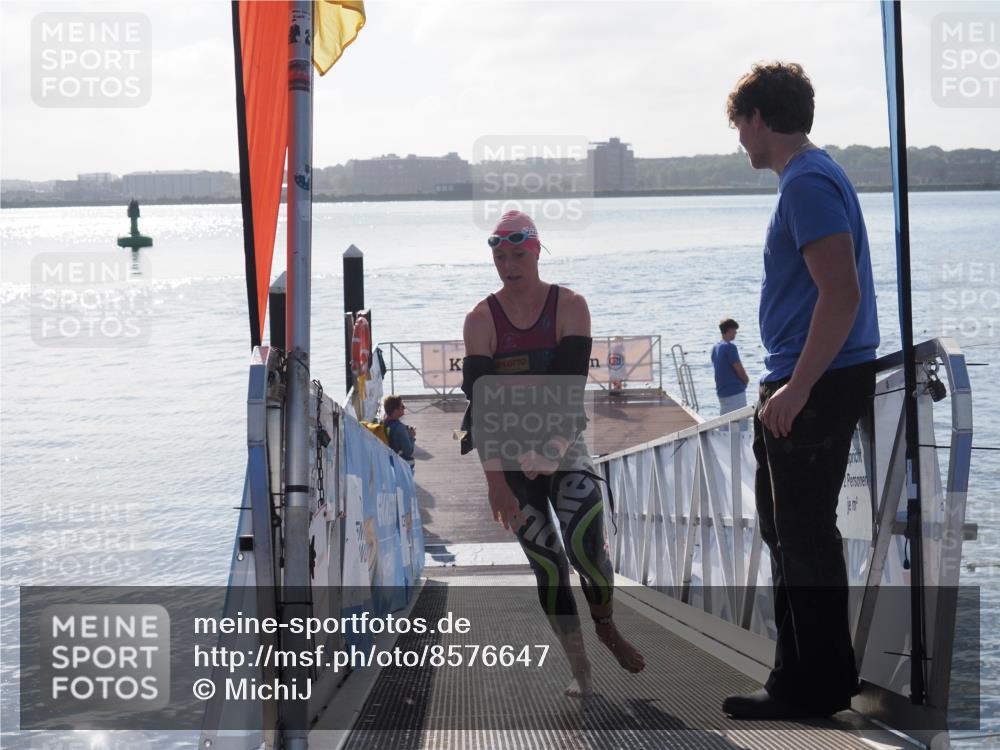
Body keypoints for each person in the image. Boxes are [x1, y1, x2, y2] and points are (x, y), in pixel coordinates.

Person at [721, 62, 880, 719]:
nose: (738, 139)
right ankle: (814, 677)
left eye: (738, 125)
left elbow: (840, 294)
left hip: (812, 382)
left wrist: (797, 388)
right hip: (809, 378)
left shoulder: (808, 182)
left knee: (802, 535)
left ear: (760, 118)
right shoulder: (812, 177)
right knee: (793, 534)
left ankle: (805, 687)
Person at [461, 210, 644, 697]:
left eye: (518, 254)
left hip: (564, 444)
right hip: (509, 454)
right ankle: (579, 666)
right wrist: (496, 482)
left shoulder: (570, 305)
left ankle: (605, 624)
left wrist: (554, 449)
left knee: (586, 548)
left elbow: (570, 389)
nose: (509, 264)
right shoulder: (481, 319)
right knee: (547, 564)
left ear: (537, 251)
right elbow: (480, 406)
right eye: (500, 256)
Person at [711, 318, 750, 414]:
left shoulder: (715, 348)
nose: (736, 333)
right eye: (734, 330)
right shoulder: (730, 347)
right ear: (729, 330)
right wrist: (746, 380)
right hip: (735, 392)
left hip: (722, 392)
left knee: (725, 425)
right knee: (741, 424)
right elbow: (738, 368)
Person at [382, 395, 416, 471]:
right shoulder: (400, 429)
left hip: (389, 462)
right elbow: (408, 451)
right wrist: (411, 436)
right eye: (402, 406)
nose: (404, 408)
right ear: (395, 411)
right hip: (400, 466)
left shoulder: (385, 422)